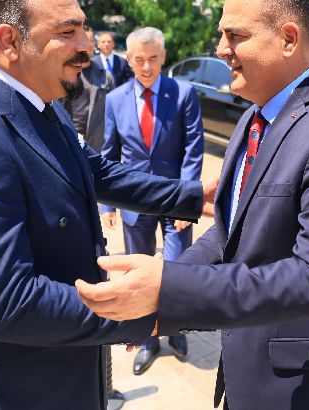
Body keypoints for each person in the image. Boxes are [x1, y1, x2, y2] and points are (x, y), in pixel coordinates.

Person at [77, 0, 309, 410]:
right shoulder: (252, 118)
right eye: (221, 35)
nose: (221, 49)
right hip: (250, 376)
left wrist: (170, 288)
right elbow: (229, 235)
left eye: (235, 35)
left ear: (287, 38)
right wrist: (162, 300)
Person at [0, 0, 212, 410]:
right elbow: (7, 302)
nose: (87, 45)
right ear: (10, 41)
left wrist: (192, 197)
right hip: (5, 392)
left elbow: (95, 171)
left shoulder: (39, 103)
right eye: (68, 32)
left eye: (84, 29)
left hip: (60, 375)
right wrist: (142, 311)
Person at [99, 27, 203, 375]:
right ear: (129, 59)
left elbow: (193, 150)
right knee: (138, 273)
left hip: (175, 199)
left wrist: (187, 200)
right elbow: (109, 154)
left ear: (163, 57)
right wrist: (108, 204)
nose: (147, 67)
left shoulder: (183, 93)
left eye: (153, 59)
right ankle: (146, 339)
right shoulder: (115, 100)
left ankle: (176, 329)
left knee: (176, 268)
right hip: (134, 202)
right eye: (140, 60)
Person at [65, 25, 114, 151]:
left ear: (94, 44)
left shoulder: (106, 77)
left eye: (90, 40)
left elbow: (114, 113)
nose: (85, 45)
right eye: (81, 40)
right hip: (69, 140)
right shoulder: (64, 74)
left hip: (96, 144)